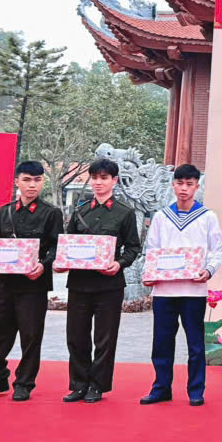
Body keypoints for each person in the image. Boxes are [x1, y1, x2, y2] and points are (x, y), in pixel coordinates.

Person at [0, 160, 64, 402]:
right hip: (4, 284)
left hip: (33, 285)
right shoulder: (4, 212)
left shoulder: (51, 213)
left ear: (42, 182)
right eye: (27, 180)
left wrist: (43, 265)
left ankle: (24, 383)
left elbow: (57, 247)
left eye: (37, 180)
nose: (32, 185)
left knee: (30, 337)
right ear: (17, 182)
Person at [139, 164, 222, 407]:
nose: (184, 188)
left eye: (189, 184)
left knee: (195, 343)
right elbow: (152, 249)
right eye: (180, 183)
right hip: (164, 290)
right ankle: (161, 387)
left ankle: (196, 390)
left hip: (193, 290)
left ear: (197, 186)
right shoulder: (161, 216)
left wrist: (208, 270)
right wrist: (148, 274)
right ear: (173, 185)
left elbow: (217, 250)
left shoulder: (207, 216)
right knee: (162, 341)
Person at [59, 157, 142, 404]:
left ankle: (97, 385)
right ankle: (78, 384)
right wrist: (62, 261)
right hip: (79, 283)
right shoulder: (80, 211)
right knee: (76, 336)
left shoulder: (124, 213)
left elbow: (133, 247)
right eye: (94, 177)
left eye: (104, 178)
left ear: (114, 181)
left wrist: (120, 263)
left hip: (109, 285)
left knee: (104, 338)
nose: (98, 182)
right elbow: (68, 244)